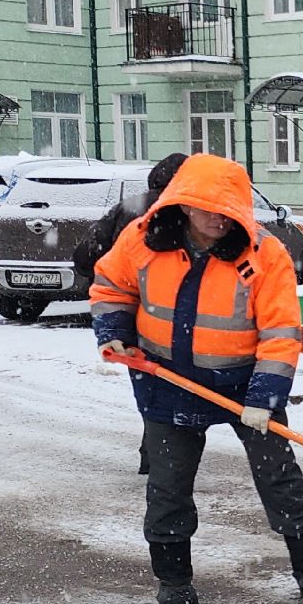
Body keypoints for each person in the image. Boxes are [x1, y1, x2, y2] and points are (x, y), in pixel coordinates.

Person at [88, 154, 303, 604]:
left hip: (245, 386)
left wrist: (265, 397)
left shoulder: (263, 254)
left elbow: (281, 332)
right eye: (206, 209)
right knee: (168, 485)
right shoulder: (143, 240)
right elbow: (110, 287)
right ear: (182, 204)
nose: (219, 220)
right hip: (168, 384)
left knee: (279, 477)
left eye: (228, 210)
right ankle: (173, 578)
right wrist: (115, 333)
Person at [74, 152, 189, 475]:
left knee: (150, 383)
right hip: (174, 315)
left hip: (129, 315)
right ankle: (164, 456)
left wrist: (115, 272)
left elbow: (84, 256)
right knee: (177, 382)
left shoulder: (130, 208)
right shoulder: (192, 212)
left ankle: (156, 453)